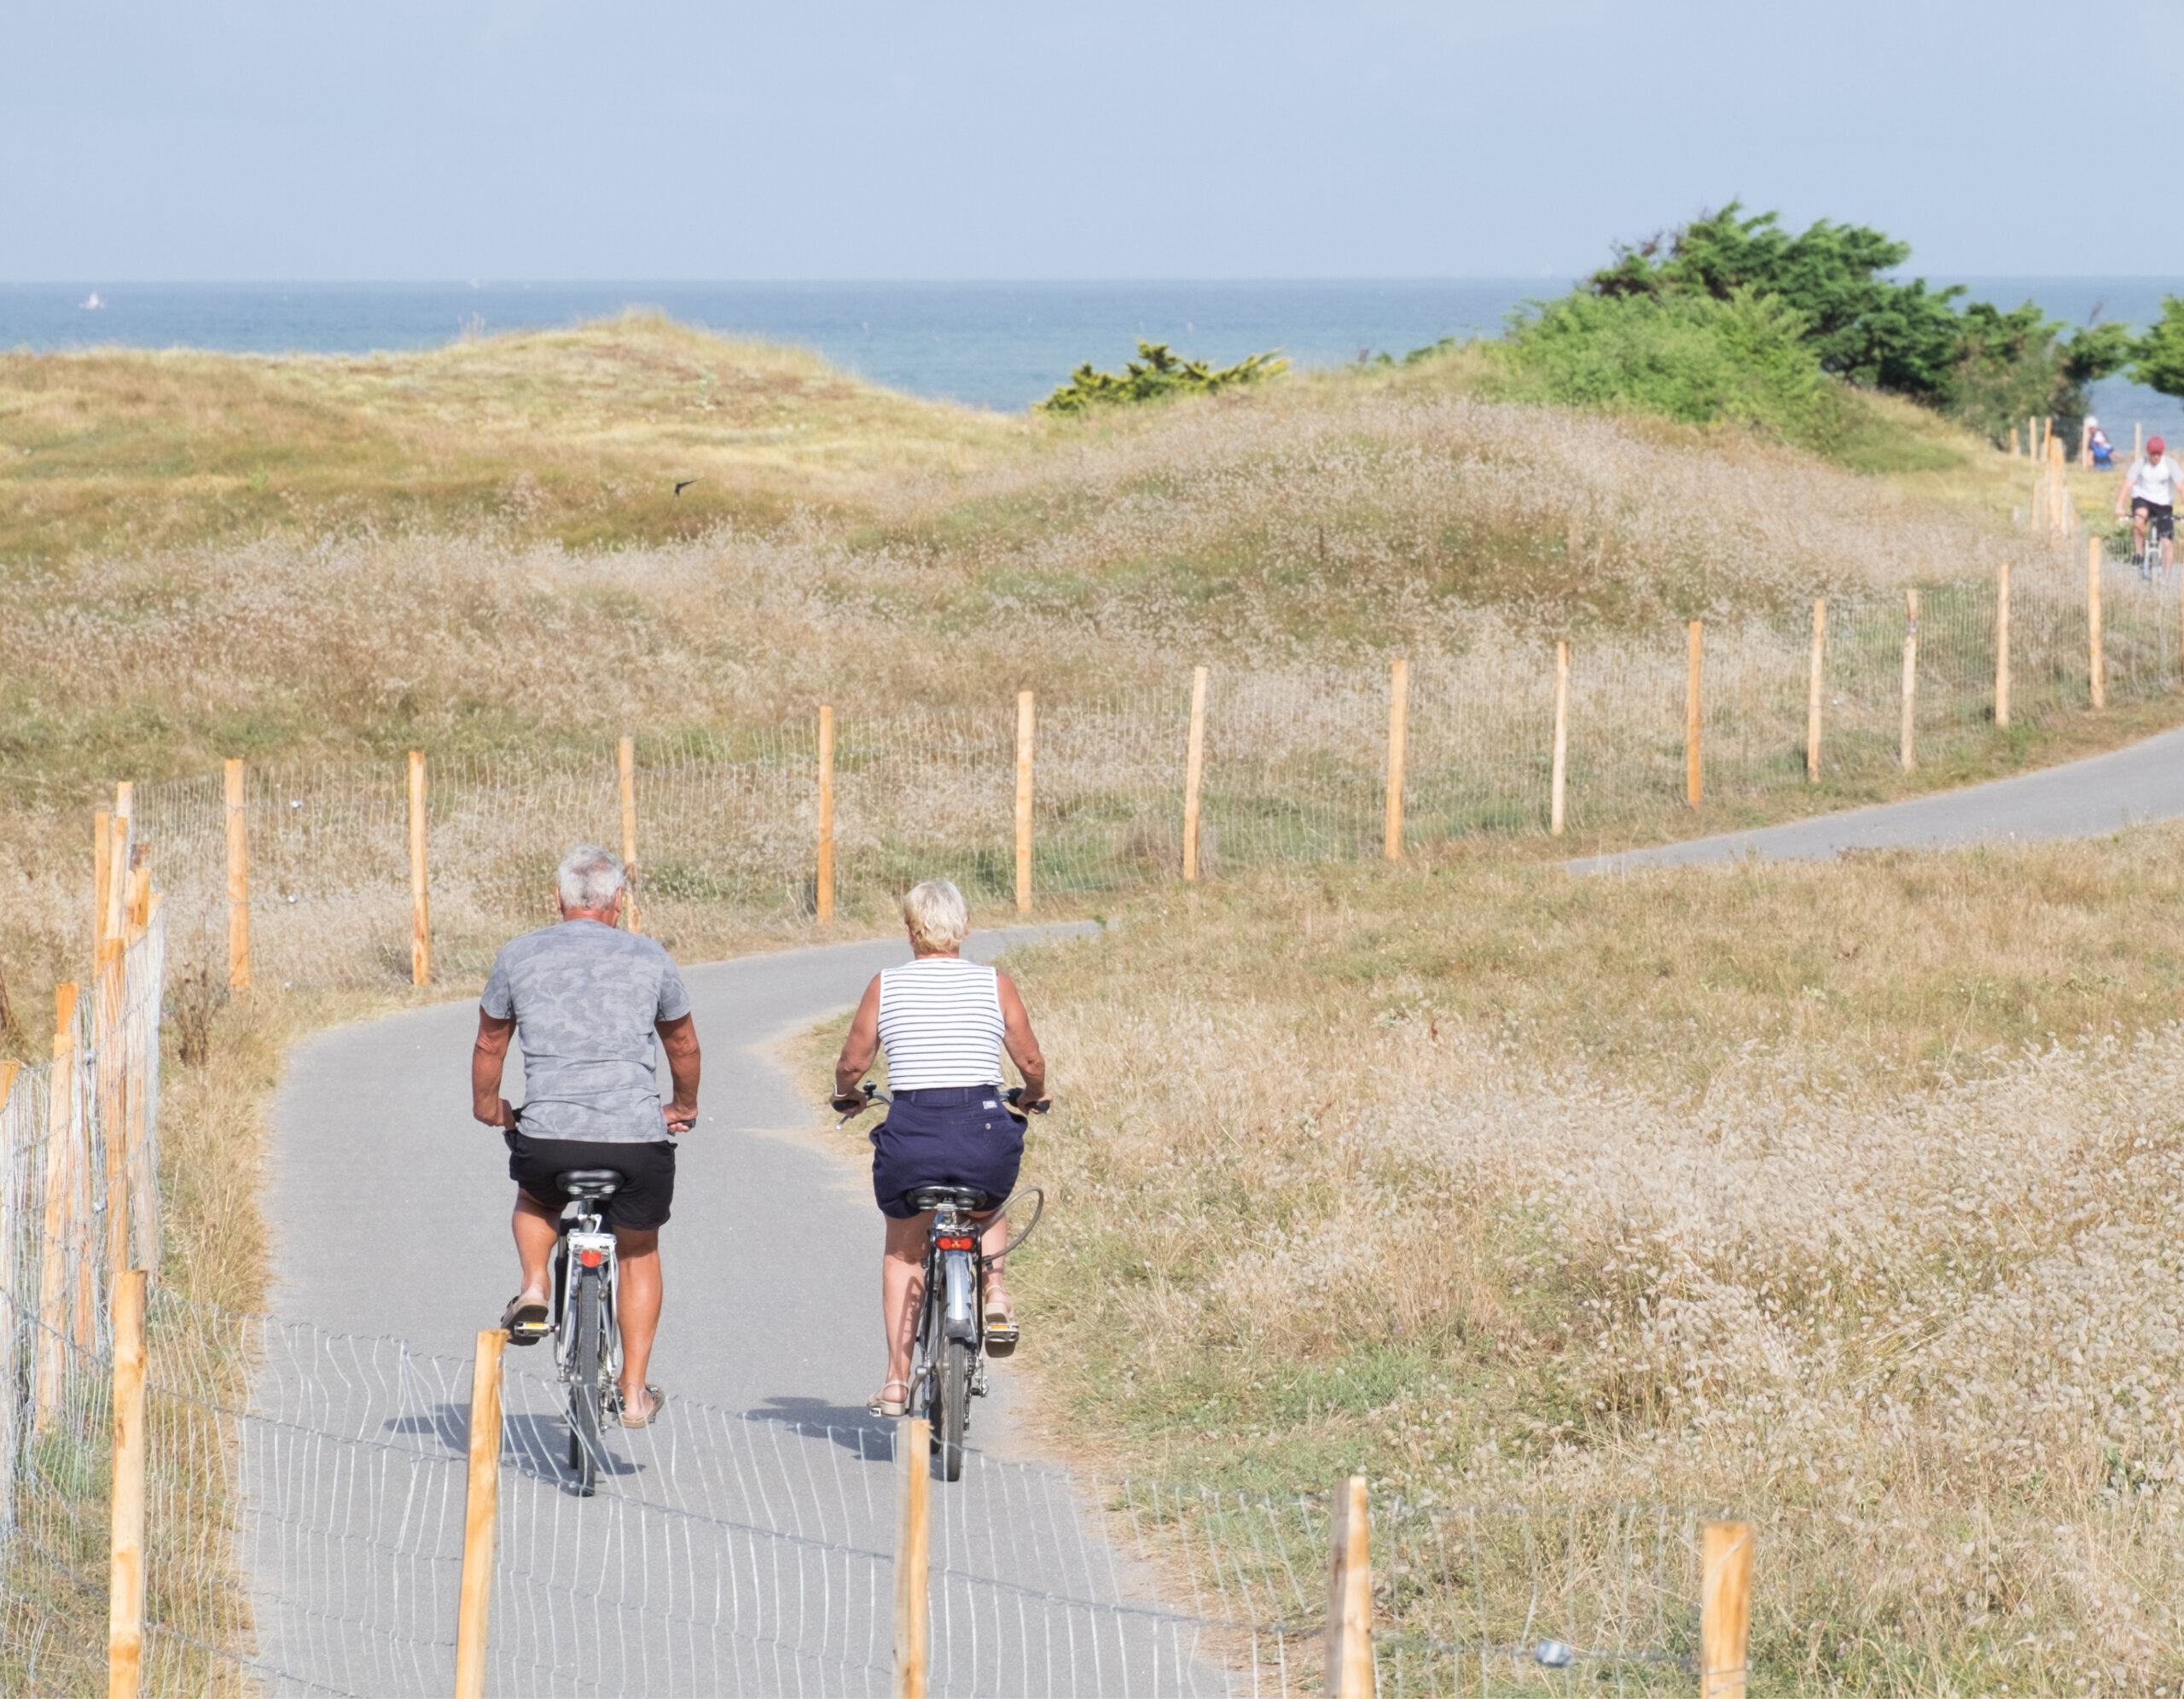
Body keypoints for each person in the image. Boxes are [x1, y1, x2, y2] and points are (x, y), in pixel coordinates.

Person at [472, 843, 699, 1428]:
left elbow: (491, 1043)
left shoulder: (519, 954)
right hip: (636, 1139)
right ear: (618, 902)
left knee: (537, 1196)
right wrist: (683, 1104)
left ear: (559, 899)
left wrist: (488, 1106)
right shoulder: (651, 957)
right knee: (638, 1247)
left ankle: (533, 1284)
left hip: (550, 1136)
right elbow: (683, 1045)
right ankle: (632, 1392)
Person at [830, 878, 1050, 1418]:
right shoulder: (994, 984)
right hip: (981, 1133)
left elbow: (853, 1064)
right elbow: (1031, 1063)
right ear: (965, 930)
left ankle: (896, 1383)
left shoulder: (886, 985)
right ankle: (995, 1294)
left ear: (911, 932)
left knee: (905, 1250)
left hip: (912, 1138)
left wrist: (847, 1094)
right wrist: (1035, 1095)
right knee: (988, 1201)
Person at [2118, 434, 2184, 576]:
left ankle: (2165, 580)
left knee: (2167, 542)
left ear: (2162, 453)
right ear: (2148, 452)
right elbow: (2127, 485)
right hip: (2143, 498)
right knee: (2140, 518)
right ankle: (2139, 554)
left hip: (2163, 504)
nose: (2156, 456)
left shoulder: (2170, 465)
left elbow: (2181, 487)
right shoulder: (2139, 464)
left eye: (2158, 453)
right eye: (2153, 453)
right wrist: (2119, 505)